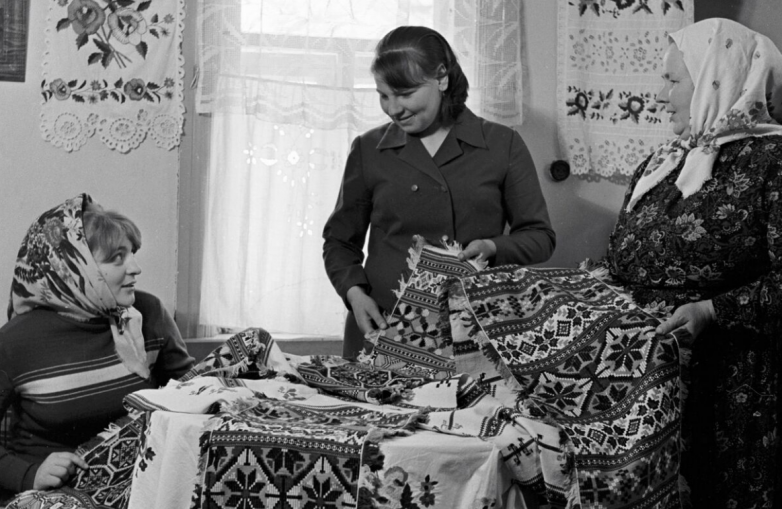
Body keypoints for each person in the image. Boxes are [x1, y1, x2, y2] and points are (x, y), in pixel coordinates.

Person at [603, 18, 782, 507]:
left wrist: (711, 310)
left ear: (715, 80)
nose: (660, 96)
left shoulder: (772, 162)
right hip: (643, 383)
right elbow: (623, 255)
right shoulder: (662, 162)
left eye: (672, 81)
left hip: (729, 387)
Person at [323, 26, 556, 358]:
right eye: (383, 95)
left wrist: (492, 247)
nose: (393, 109)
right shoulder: (368, 149)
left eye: (405, 94)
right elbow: (339, 242)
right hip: (382, 328)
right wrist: (354, 294)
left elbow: (540, 237)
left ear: (442, 78)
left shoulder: (502, 144)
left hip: (474, 331)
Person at [0, 193, 194, 496]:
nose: (135, 268)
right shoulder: (15, 342)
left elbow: (191, 396)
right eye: (117, 258)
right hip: (54, 492)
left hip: (139, 482)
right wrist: (30, 474)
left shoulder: (149, 313)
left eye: (132, 253)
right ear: (75, 268)